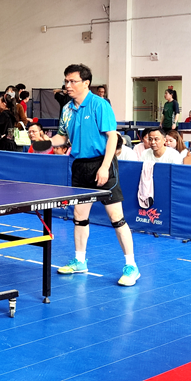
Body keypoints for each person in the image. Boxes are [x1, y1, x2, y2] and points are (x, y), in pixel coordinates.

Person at [49, 63, 139, 286]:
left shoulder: (100, 105)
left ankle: (131, 266)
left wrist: (105, 167)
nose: (67, 85)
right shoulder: (67, 109)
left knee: (116, 218)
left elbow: (112, 137)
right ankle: (80, 261)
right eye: (66, 81)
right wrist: (45, 141)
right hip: (79, 166)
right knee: (79, 217)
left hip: (102, 163)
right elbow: (62, 137)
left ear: (86, 83)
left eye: (72, 81)